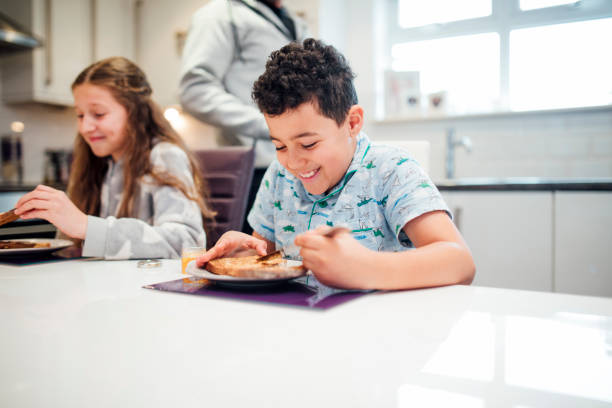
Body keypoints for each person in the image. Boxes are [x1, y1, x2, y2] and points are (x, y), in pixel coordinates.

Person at [197, 39, 475, 290]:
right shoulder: (278, 175)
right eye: (279, 146)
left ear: (352, 123)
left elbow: (460, 263)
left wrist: (366, 267)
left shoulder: (391, 170)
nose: (292, 162)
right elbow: (265, 256)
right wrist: (240, 254)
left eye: (308, 144)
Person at [14, 57, 215, 259]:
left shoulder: (164, 155)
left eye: (99, 114)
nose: (85, 127)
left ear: (134, 112)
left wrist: (85, 226)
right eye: (80, 115)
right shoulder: (101, 163)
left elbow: (187, 240)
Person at [179, 0, 308, 233]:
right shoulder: (220, 15)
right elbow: (194, 90)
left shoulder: (291, 20)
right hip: (255, 168)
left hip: (297, 165)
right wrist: (268, 125)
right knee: (256, 260)